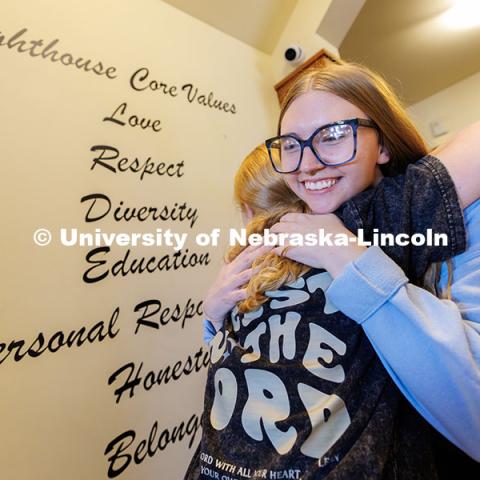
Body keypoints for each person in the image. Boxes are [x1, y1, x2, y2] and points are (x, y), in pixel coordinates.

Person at [191, 63, 479, 479]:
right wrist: (212, 317)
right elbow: (245, 354)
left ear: (382, 145)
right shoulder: (282, 231)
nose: (306, 164)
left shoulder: (391, 214)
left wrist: (347, 255)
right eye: (291, 144)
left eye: (333, 135)